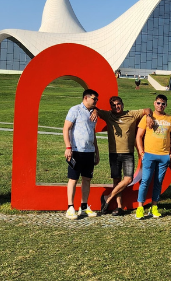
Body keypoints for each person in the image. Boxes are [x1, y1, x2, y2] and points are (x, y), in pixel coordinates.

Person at [94, 96, 153, 216]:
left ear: (122, 104)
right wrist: (95, 111)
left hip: (128, 154)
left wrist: (149, 117)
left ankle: (107, 198)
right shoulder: (108, 115)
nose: (117, 107)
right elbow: (95, 109)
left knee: (128, 179)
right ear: (111, 107)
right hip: (114, 153)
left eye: (118, 104)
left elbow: (147, 109)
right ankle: (119, 207)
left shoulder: (131, 114)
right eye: (114, 105)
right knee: (116, 180)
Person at [135, 94, 171, 220]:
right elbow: (138, 136)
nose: (160, 105)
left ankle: (154, 207)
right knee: (145, 180)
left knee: (158, 182)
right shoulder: (147, 118)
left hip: (164, 156)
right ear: (154, 103)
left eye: (163, 103)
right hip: (149, 154)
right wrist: (142, 152)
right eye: (158, 103)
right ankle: (140, 207)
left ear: (166, 105)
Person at [63, 89, 100, 219]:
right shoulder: (75, 110)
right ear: (86, 98)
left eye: (97, 100)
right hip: (76, 150)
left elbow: (92, 133)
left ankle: (83, 206)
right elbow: (66, 128)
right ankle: (70, 207)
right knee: (73, 179)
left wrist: (97, 151)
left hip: (89, 151)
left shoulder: (94, 113)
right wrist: (68, 147)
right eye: (94, 99)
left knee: (87, 179)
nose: (96, 101)